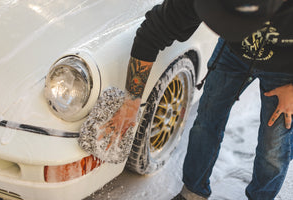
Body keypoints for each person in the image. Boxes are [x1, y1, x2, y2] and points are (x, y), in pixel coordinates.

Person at [100, 0, 293, 199]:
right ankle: (193, 192)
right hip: (232, 54)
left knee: (274, 146)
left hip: (285, 71)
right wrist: (131, 100)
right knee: (206, 121)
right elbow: (152, 33)